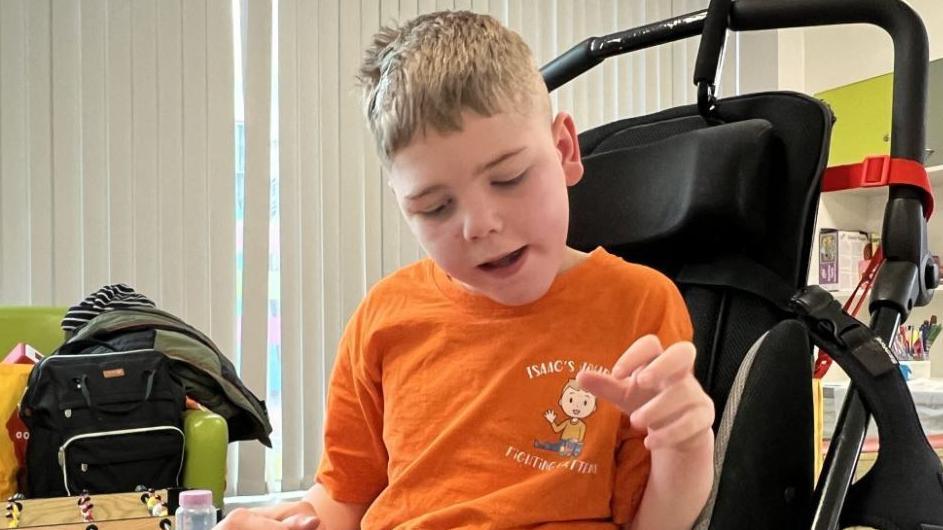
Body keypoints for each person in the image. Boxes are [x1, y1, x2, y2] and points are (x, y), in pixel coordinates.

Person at [216, 10, 714, 530]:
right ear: (402, 205)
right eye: (434, 207)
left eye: (509, 177)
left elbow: (654, 522)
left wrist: (686, 444)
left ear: (564, 149)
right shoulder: (385, 316)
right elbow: (343, 498)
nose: (479, 225)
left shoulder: (637, 305)